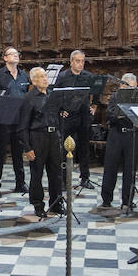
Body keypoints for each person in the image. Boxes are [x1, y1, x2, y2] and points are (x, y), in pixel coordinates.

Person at [19, 67, 65, 219]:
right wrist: (27, 148)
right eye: (41, 77)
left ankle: (56, 203)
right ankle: (38, 205)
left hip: (53, 137)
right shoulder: (29, 98)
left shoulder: (52, 95)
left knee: (56, 173)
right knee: (37, 174)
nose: (45, 79)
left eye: (46, 76)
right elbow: (23, 125)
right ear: (33, 80)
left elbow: (57, 116)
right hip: (37, 137)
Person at [0, 47, 29, 196]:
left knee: (18, 154)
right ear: (5, 58)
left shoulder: (24, 75)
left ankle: (20, 183)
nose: (16, 56)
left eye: (17, 54)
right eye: (12, 54)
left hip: (19, 120)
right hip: (2, 120)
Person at [98, 73, 138, 216]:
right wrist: (120, 116)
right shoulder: (116, 97)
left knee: (130, 169)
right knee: (111, 167)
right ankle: (106, 199)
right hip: (116, 134)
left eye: (133, 87)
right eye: (128, 87)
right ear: (122, 85)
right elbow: (110, 115)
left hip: (132, 135)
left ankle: (127, 200)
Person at [54, 50, 95, 187]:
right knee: (65, 148)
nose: (81, 64)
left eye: (83, 61)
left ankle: (85, 178)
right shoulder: (62, 76)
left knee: (84, 148)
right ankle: (64, 179)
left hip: (83, 115)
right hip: (68, 116)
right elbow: (55, 95)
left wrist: (93, 106)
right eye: (78, 61)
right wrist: (60, 110)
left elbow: (96, 92)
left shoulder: (88, 76)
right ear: (71, 62)